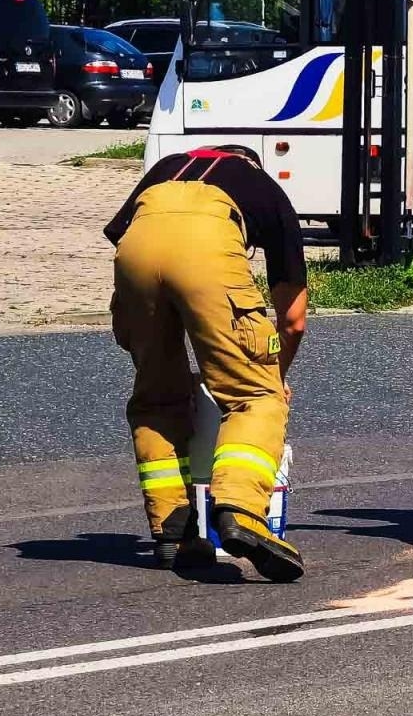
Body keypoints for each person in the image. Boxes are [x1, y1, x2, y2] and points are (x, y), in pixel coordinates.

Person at [104, 144, 309, 581]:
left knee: (157, 396)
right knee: (255, 398)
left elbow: (126, 236)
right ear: (252, 163)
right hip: (208, 249)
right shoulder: (265, 190)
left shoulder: (166, 169)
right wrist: (270, 377)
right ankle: (240, 509)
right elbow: (292, 320)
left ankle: (173, 528)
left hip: (135, 253)